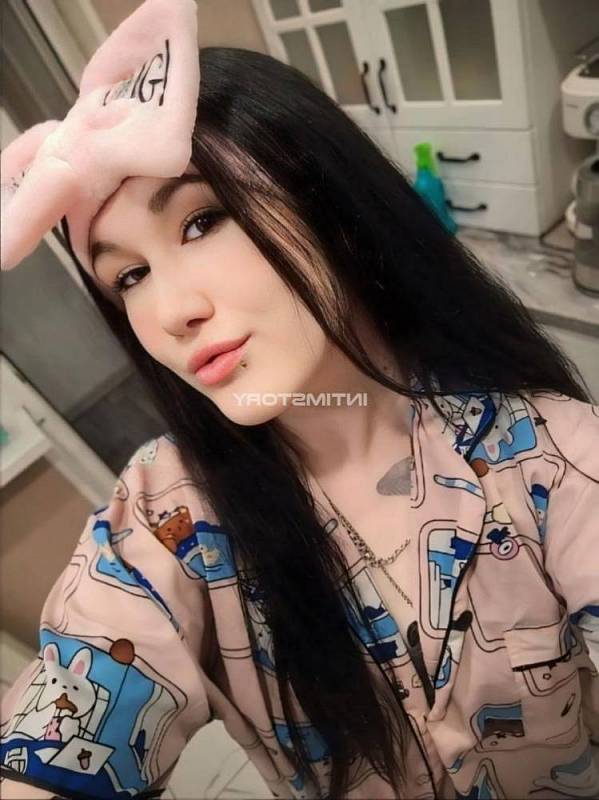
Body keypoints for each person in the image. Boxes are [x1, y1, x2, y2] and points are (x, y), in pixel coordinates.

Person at [1, 2, 598, 799]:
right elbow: (71, 716)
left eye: (201, 221)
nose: (170, 311)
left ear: (334, 208)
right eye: (129, 277)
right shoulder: (166, 516)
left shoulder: (547, 454)